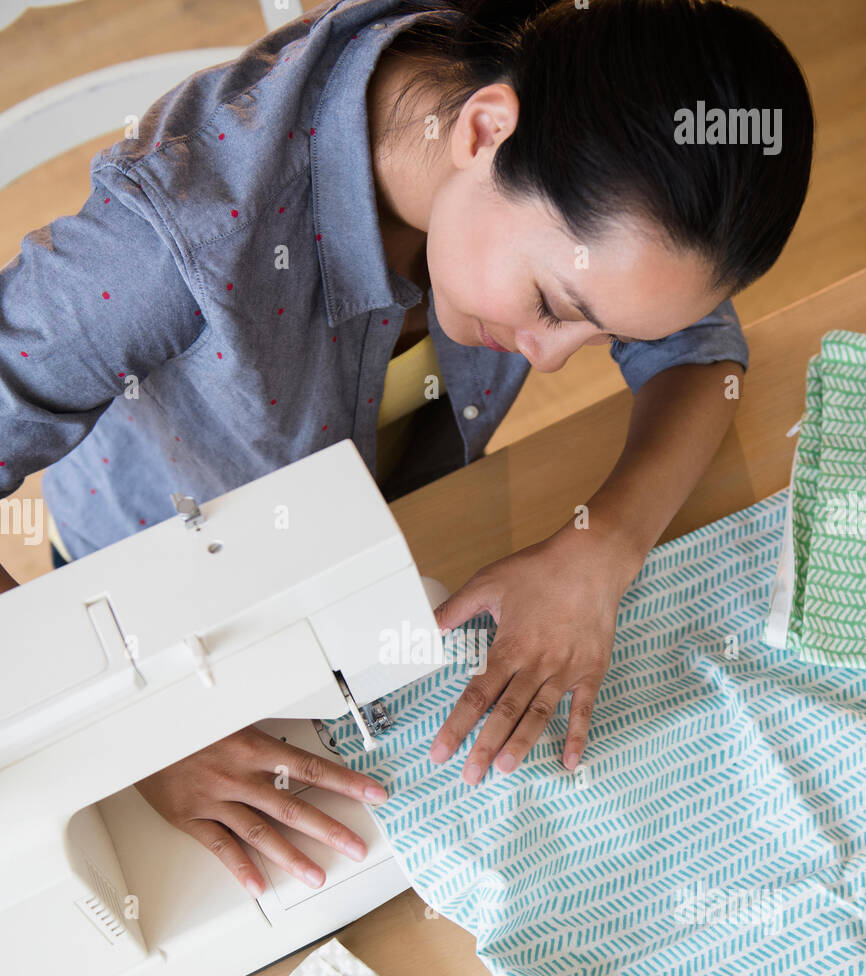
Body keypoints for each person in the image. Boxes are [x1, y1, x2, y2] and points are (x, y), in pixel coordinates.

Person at [0, 0, 814, 897]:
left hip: (380, 549)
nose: (549, 361)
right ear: (484, 131)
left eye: (603, 333)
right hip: (149, 599)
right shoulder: (172, 245)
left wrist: (601, 551)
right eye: (553, 306)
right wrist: (130, 735)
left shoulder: (587, 149)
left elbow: (698, 351)